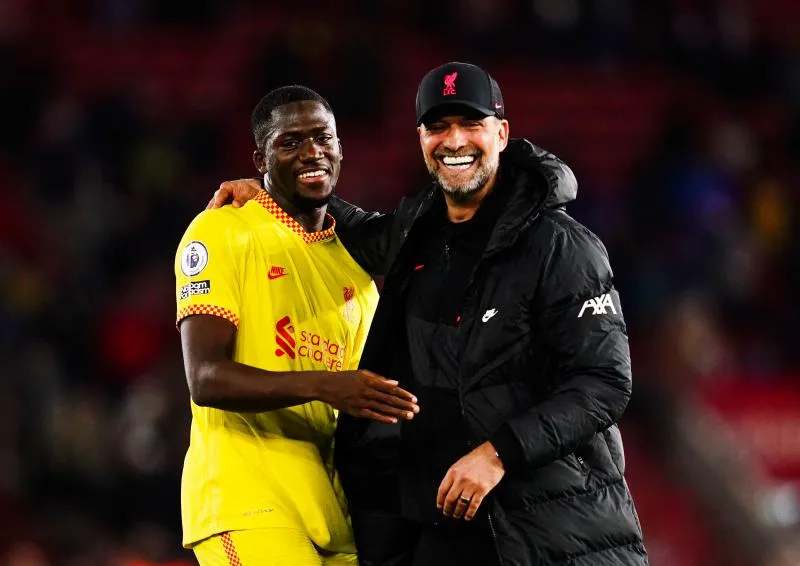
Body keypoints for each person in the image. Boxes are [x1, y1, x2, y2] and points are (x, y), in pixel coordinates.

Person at [211, 63, 648, 565]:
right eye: (438, 127)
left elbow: (603, 383)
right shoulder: (414, 238)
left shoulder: (561, 247)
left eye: (471, 124)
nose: (454, 140)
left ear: (502, 133)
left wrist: (498, 453)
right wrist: (269, 189)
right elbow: (344, 223)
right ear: (421, 139)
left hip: (552, 532)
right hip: (443, 531)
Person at [175, 85, 419, 566]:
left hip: (334, 518)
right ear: (260, 159)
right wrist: (327, 385)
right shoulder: (223, 229)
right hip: (247, 504)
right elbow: (205, 378)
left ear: (340, 149)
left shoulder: (355, 269)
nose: (311, 152)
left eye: (323, 138)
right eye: (290, 142)